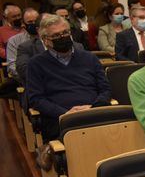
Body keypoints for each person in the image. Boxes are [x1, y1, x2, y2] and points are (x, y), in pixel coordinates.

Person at [26, 15, 111, 144]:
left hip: (94, 112)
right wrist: (65, 113)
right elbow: (36, 99)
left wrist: (94, 107)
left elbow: (105, 89)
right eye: (56, 36)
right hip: (60, 118)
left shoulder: (89, 58)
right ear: (45, 40)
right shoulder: (36, 64)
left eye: (65, 33)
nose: (62, 37)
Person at [5, 8, 39, 79]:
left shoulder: (48, 38)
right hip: (26, 79)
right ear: (23, 24)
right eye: (30, 22)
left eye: (36, 21)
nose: (34, 24)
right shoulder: (14, 41)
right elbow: (12, 66)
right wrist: (32, 76)